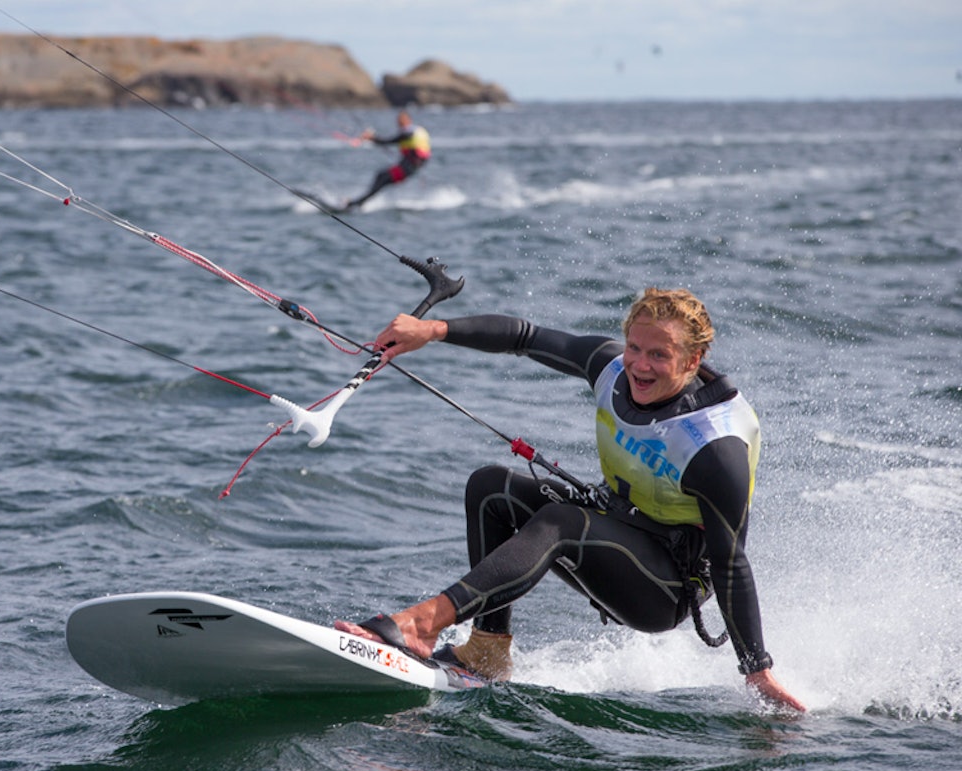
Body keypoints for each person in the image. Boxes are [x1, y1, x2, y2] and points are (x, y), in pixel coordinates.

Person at [336, 288, 807, 712]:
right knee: (491, 487)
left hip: (664, 585)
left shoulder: (714, 447)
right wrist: (432, 330)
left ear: (693, 359)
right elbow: (525, 336)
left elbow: (730, 563)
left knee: (561, 521)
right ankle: (486, 651)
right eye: (635, 348)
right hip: (619, 523)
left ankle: (423, 623)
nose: (640, 366)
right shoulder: (612, 368)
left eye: (659, 355)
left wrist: (756, 669)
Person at [343, 110, 431, 210]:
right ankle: (359, 202)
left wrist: (372, 138)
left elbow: (390, 141)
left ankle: (357, 203)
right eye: (398, 121)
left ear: (408, 120)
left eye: (401, 121)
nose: (399, 123)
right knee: (381, 177)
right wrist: (373, 139)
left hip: (409, 167)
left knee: (382, 178)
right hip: (409, 166)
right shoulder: (417, 130)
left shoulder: (409, 132)